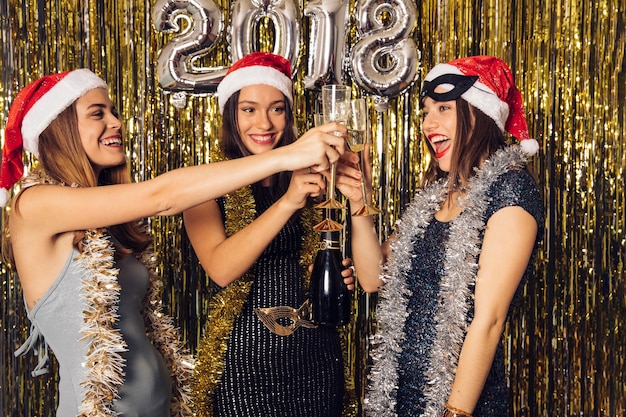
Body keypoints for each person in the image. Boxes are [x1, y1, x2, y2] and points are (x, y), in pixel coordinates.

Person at [0, 68, 346, 417]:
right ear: (58, 129)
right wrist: (289, 155)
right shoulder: (34, 204)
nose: (116, 122)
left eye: (113, 111)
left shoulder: (101, 222)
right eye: (97, 114)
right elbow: (163, 196)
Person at [336, 56, 544, 417]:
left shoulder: (512, 190)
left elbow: (489, 320)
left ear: (479, 113)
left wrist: (454, 412)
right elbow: (372, 278)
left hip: (460, 404)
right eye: (425, 111)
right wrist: (360, 201)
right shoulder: (436, 193)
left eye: (443, 109)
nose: (428, 124)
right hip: (399, 398)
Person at [183, 52, 357, 417]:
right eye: (249, 109)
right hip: (245, 365)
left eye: (276, 109)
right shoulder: (204, 184)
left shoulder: (315, 177)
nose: (263, 122)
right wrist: (287, 203)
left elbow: (329, 257)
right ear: (230, 114)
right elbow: (221, 267)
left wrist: (334, 273)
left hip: (317, 360)